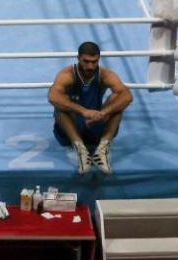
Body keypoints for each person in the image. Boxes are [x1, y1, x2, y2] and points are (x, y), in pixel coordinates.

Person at [48, 41, 132, 175]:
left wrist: (103, 113)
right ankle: (80, 150)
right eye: (86, 61)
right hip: (71, 128)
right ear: (78, 58)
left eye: (94, 62)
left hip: (96, 124)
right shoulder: (67, 74)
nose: (90, 66)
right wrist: (84, 111)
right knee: (60, 106)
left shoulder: (105, 75)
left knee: (117, 102)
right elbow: (52, 97)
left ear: (99, 59)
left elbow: (127, 96)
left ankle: (102, 150)